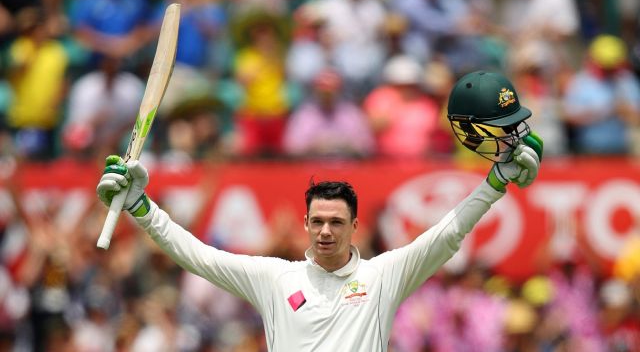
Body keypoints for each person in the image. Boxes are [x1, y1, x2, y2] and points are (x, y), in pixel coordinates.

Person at [96, 70, 542, 351]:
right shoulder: (275, 279)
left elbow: (448, 233)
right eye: (317, 221)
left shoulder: (383, 276)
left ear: (354, 227)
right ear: (306, 225)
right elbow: (195, 255)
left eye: (335, 222)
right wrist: (141, 206)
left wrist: (494, 184)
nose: (325, 231)